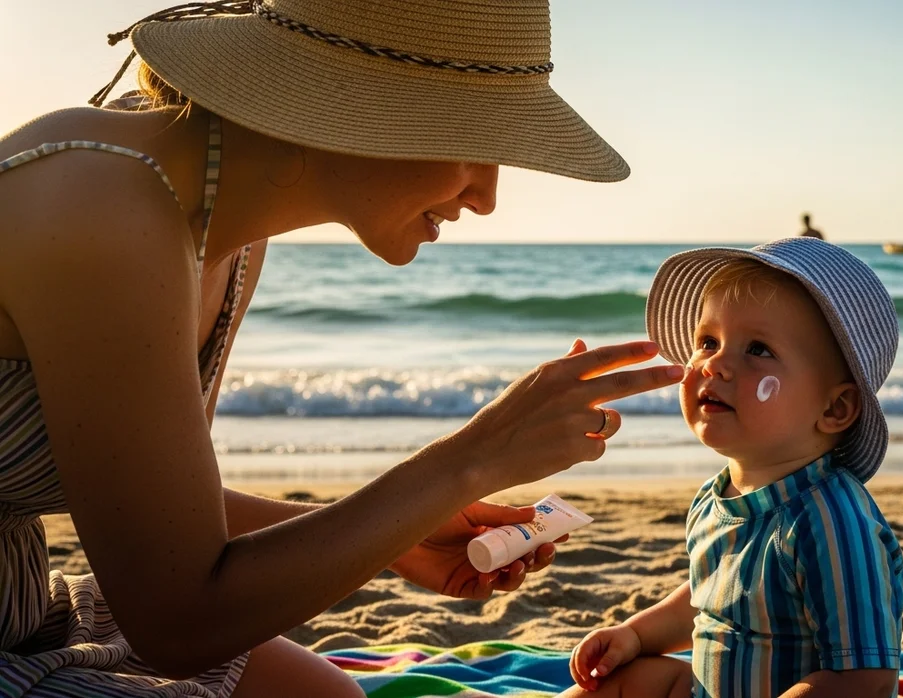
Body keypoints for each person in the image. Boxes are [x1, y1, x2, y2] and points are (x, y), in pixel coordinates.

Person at [0, 1, 681, 696]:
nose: (487, 197)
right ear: (357, 104)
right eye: (476, 142)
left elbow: (165, 509)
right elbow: (177, 625)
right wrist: (471, 460)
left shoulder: (223, 232)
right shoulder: (104, 210)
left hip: (19, 613)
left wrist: (401, 536)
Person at [562, 239, 903, 698]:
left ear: (836, 407)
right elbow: (708, 599)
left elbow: (865, 679)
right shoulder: (715, 497)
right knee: (618, 683)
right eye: (708, 342)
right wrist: (636, 635)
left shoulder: (832, 519)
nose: (716, 364)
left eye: (758, 349)